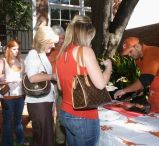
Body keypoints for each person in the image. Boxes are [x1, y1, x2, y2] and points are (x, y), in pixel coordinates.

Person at [56, 15, 112, 146]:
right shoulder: (85, 51)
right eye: (90, 36)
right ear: (85, 34)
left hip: (65, 112)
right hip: (84, 115)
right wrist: (108, 68)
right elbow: (100, 84)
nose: (91, 40)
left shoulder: (61, 53)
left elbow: (59, 86)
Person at [114, 37, 159, 116]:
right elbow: (144, 79)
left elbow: (145, 79)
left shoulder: (153, 52)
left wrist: (124, 90)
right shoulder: (138, 59)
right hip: (155, 93)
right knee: (154, 118)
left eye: (130, 52)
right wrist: (138, 90)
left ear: (137, 46)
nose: (129, 55)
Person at [24, 26, 59, 146]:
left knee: (43, 137)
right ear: (43, 41)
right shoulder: (33, 54)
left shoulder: (41, 54)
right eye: (51, 43)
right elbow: (32, 77)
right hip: (38, 103)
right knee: (45, 138)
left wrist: (52, 101)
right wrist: (52, 76)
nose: (54, 46)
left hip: (43, 101)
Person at [0, 40, 29, 146]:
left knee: (18, 120)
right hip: (8, 97)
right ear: (8, 49)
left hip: (20, 96)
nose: (16, 51)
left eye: (18, 49)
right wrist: (10, 80)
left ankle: (20, 140)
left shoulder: (21, 60)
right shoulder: (3, 61)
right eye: (14, 49)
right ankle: (7, 143)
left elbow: (25, 76)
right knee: (7, 122)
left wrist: (24, 79)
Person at [47, 25, 66, 146]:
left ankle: (60, 139)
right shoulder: (50, 48)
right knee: (49, 113)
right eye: (60, 39)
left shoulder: (66, 46)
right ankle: (49, 138)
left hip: (63, 83)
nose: (61, 41)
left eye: (63, 38)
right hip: (50, 83)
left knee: (61, 112)